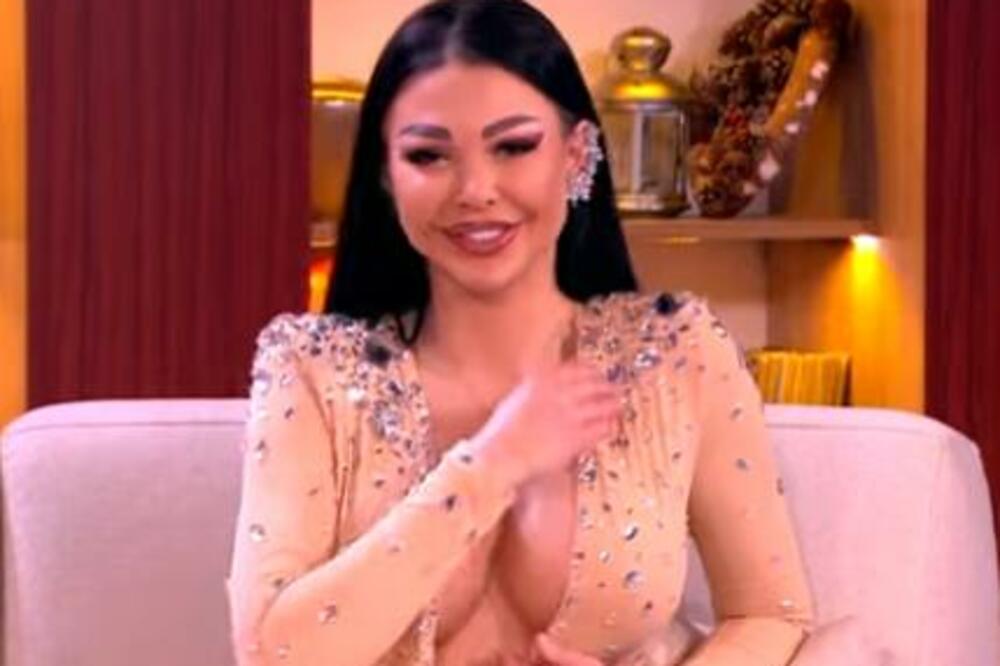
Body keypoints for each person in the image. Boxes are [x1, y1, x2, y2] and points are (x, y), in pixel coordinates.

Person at [226, 1, 816, 664]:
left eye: (513, 146)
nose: (476, 189)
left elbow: (771, 612)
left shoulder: (679, 352)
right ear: (387, 178)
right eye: (428, 155)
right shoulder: (312, 368)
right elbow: (273, 655)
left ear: (576, 152)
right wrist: (496, 462)